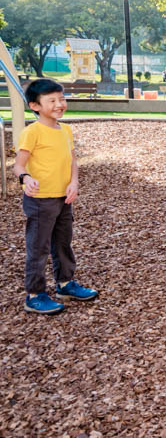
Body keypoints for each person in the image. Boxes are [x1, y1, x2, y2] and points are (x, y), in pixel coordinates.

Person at [13, 79, 99, 315]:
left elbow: (72, 160)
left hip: (64, 198)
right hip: (40, 200)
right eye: (52, 100)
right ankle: (34, 295)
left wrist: (74, 182)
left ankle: (65, 284)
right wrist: (26, 178)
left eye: (62, 99)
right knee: (38, 247)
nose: (59, 104)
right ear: (35, 106)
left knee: (62, 243)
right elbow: (18, 166)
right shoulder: (32, 132)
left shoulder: (66, 130)